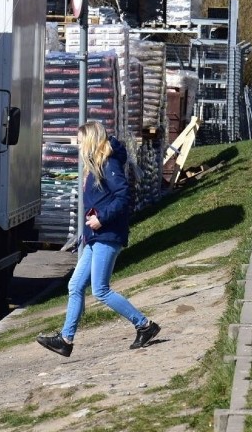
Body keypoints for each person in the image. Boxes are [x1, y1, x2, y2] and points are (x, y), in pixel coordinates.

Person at [36, 121, 160, 357]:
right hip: (95, 236)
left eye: (81, 139)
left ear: (91, 140)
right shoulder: (94, 165)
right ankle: (66, 340)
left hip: (108, 234)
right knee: (75, 285)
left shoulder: (109, 163)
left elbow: (123, 196)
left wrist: (101, 219)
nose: (79, 144)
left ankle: (145, 325)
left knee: (101, 290)